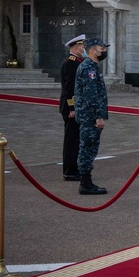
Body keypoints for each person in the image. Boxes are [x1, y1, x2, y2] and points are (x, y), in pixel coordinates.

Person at [74, 37, 109, 195]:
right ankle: (85, 183)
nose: (104, 51)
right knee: (87, 148)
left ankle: (86, 181)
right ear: (93, 50)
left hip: (89, 116)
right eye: (102, 48)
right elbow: (91, 95)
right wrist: (98, 116)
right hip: (90, 117)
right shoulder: (88, 68)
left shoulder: (91, 66)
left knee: (89, 148)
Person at [59, 33, 85, 181]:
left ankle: (74, 168)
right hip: (71, 108)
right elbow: (70, 88)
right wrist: (72, 108)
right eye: (82, 47)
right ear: (76, 47)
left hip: (75, 107)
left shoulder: (76, 62)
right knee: (71, 140)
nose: (84, 49)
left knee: (75, 139)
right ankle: (69, 170)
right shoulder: (71, 63)